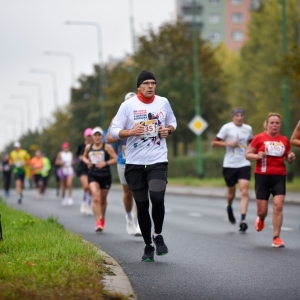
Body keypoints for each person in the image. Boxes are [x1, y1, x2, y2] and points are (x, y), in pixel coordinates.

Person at [110, 70, 177, 262]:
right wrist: (130, 132)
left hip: (158, 160)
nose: (150, 86)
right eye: (146, 83)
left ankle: (158, 234)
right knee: (141, 204)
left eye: (153, 83)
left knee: (157, 198)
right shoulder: (127, 106)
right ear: (138, 86)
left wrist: (168, 130)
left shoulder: (163, 102)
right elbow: (113, 131)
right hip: (134, 164)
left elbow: (172, 121)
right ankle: (148, 245)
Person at [246, 112, 295, 248]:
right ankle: (261, 218)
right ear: (267, 124)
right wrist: (257, 156)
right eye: (272, 123)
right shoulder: (258, 138)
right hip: (262, 176)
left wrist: (290, 157)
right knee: (262, 211)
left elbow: (288, 157)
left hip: (279, 176)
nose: (274, 125)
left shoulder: (284, 140)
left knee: (278, 205)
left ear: (280, 125)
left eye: (277, 123)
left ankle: (276, 237)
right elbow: (248, 155)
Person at [211, 108, 253, 232]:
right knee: (231, 193)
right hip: (229, 164)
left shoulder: (248, 129)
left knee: (244, 191)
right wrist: (228, 144)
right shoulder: (226, 128)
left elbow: (252, 143)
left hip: (244, 163)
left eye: (241, 115)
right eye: (237, 115)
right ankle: (229, 206)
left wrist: (253, 151)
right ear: (233, 117)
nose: (239, 117)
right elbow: (214, 143)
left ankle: (243, 219)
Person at [106, 92, 142, 237]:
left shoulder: (143, 114)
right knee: (128, 193)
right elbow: (108, 139)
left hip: (141, 159)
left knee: (140, 192)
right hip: (124, 160)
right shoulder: (118, 118)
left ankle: (140, 223)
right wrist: (127, 132)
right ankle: (129, 216)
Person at [82, 126, 117, 232]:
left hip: (105, 175)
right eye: (95, 135)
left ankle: (102, 218)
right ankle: (97, 221)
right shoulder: (88, 147)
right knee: (96, 198)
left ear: (102, 136)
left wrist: (105, 163)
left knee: (102, 199)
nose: (97, 137)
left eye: (99, 135)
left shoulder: (106, 147)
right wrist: (87, 161)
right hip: (93, 174)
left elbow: (115, 158)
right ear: (92, 137)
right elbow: (84, 156)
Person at [76, 128, 93, 215]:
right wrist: (81, 157)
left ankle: (89, 205)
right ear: (85, 136)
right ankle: (83, 203)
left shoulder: (94, 145)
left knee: (90, 188)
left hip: (92, 168)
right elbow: (77, 156)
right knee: (86, 186)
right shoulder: (81, 145)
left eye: (90, 136)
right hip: (83, 167)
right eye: (88, 136)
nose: (89, 138)